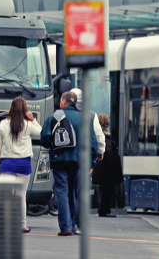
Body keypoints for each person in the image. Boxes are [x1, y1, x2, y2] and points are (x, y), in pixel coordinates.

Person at [40, 91, 98, 236]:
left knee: (61, 192)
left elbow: (45, 140)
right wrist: (91, 163)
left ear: (64, 102)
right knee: (74, 193)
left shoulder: (55, 117)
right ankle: (72, 226)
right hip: (79, 163)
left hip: (59, 162)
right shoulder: (85, 119)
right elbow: (92, 144)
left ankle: (65, 227)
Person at [0, 97, 42, 234]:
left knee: (6, 195)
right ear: (24, 110)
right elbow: (41, 132)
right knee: (21, 196)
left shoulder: (3, 124)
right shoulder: (27, 125)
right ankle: (22, 225)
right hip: (23, 164)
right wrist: (33, 119)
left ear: (11, 108)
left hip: (7, 163)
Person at [69, 88, 105, 232]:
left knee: (68, 191)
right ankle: (79, 224)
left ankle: (68, 222)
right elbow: (98, 136)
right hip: (83, 160)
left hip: (65, 159)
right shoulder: (91, 115)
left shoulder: (62, 114)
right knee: (81, 191)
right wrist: (100, 152)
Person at [92, 114, 123, 217]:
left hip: (101, 169)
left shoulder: (98, 136)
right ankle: (103, 210)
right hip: (107, 170)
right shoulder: (106, 137)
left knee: (104, 189)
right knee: (106, 190)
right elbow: (109, 153)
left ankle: (105, 210)